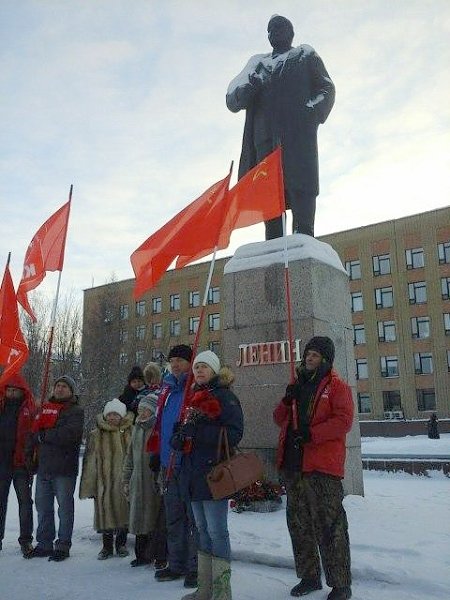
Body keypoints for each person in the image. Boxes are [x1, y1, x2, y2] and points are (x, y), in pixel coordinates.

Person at [226, 15, 335, 240]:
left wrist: (311, 112)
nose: (274, 32)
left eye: (279, 27)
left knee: (301, 186)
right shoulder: (257, 63)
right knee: (269, 192)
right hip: (264, 139)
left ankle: (304, 235)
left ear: (291, 32)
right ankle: (273, 240)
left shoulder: (305, 55)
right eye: (270, 30)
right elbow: (232, 99)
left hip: (298, 136)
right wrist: (249, 88)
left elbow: (327, 87)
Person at [273, 337, 353, 600]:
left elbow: (343, 421)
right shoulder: (297, 385)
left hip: (322, 467)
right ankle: (309, 577)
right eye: (308, 353)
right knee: (299, 524)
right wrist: (286, 400)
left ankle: (341, 584)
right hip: (294, 466)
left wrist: (312, 434)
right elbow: (278, 418)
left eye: (316, 355)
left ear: (326, 360)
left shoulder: (337, 387)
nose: (309, 358)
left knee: (330, 526)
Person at [171, 350, 243, 600]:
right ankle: (205, 587)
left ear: (214, 370)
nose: (199, 370)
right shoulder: (193, 397)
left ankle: (222, 591)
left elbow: (234, 433)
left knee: (216, 531)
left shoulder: (225, 397)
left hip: (214, 474)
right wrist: (179, 437)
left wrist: (198, 433)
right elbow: (181, 433)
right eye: (197, 367)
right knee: (200, 529)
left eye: (204, 367)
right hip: (192, 474)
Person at [147, 344, 199, 588]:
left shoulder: (195, 389)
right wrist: (157, 453)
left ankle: (194, 566)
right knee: (173, 518)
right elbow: (159, 424)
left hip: (188, 463)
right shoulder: (166, 390)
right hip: (168, 463)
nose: (176, 364)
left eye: (180, 360)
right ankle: (176, 563)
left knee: (192, 519)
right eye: (172, 360)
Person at [26, 375, 84, 561]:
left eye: (64, 387)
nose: (59, 389)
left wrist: (45, 435)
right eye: (57, 386)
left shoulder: (75, 411)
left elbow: (69, 434)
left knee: (64, 509)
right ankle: (44, 543)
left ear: (71, 391)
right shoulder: (45, 409)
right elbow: (34, 433)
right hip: (44, 466)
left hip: (64, 468)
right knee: (43, 507)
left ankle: (63, 544)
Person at [79, 398, 134, 559]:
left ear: (122, 416)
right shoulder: (96, 435)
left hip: (125, 482)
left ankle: (121, 544)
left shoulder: (131, 432)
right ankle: (107, 547)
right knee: (105, 514)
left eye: (115, 414)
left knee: (124, 515)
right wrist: (89, 485)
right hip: (104, 483)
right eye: (109, 414)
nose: (112, 417)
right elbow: (90, 461)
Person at [122, 390, 163, 567]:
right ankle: (140, 554)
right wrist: (126, 479)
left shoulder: (157, 429)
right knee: (139, 517)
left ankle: (155, 553)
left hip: (151, 480)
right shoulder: (137, 429)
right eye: (141, 409)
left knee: (153, 518)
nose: (142, 413)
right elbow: (129, 457)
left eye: (146, 410)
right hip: (137, 480)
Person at [0, 373, 36, 557]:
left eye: (15, 390)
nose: (12, 393)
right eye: (9, 390)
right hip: (2, 462)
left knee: (25, 502)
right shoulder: (1, 407)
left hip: (21, 463)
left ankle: (26, 540)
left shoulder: (30, 409)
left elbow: (36, 434)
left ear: (23, 392)